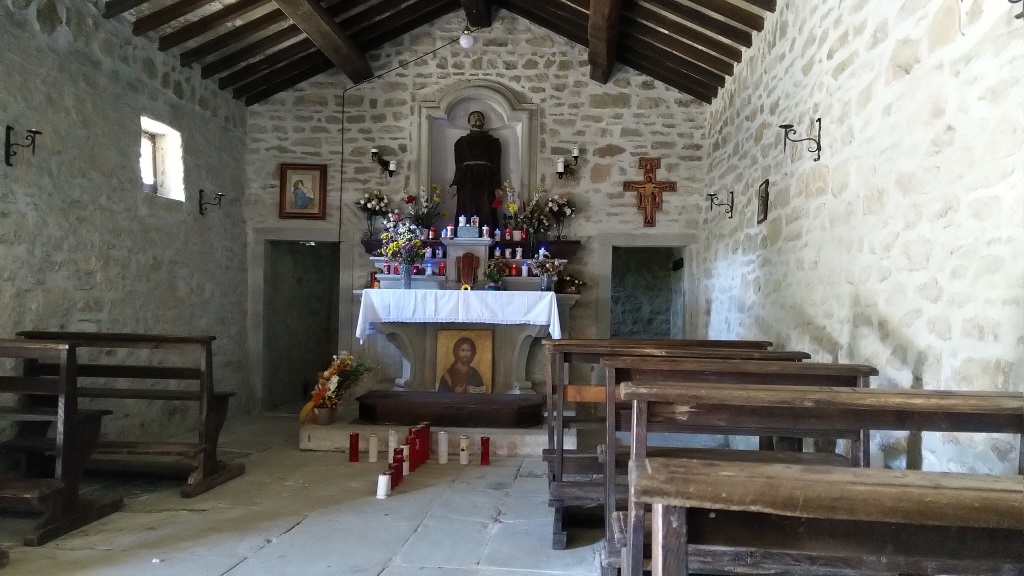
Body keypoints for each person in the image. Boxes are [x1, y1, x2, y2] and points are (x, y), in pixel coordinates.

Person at [450, 111, 502, 231]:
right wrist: (455, 184)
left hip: (486, 178)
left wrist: (497, 186)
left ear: (484, 121)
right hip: (467, 179)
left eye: (479, 116)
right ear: (469, 122)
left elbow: (496, 165)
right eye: (473, 116)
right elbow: (458, 165)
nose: (477, 117)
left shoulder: (493, 142)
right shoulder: (461, 142)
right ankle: (466, 233)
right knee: (467, 207)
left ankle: (487, 234)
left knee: (486, 207)